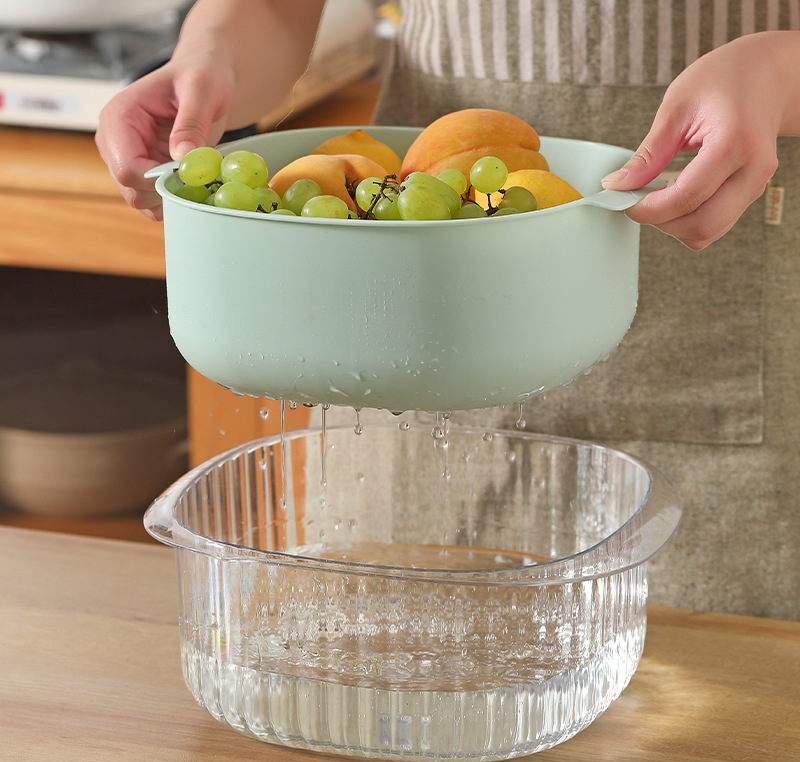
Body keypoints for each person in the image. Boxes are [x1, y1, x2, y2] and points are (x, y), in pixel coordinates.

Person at [96, 1, 800, 619]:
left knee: (719, 696)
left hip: (721, 309)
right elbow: (277, 9)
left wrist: (776, 69)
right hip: (402, 322)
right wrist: (211, 58)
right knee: (377, 660)